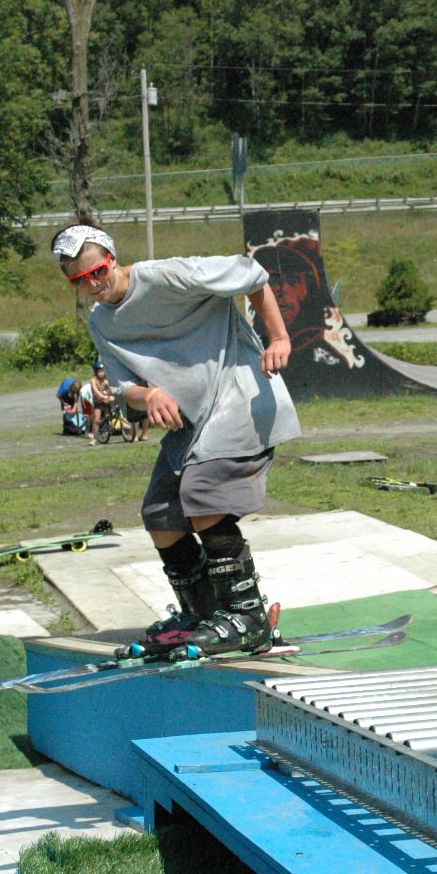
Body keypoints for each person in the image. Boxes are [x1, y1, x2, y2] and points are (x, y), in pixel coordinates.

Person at [52, 222, 300, 661]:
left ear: (112, 258)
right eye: (78, 280)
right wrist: (148, 394)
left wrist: (278, 337)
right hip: (192, 425)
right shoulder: (101, 323)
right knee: (161, 511)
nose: (92, 285)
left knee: (201, 494)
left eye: (97, 272)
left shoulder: (171, 275)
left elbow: (252, 274)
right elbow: (124, 384)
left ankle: (247, 617)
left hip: (240, 398)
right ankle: (204, 614)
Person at [85, 362, 115, 446]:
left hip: (106, 401)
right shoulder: (93, 381)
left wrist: (110, 394)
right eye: (100, 371)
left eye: (103, 371)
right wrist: (102, 396)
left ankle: (109, 426)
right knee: (97, 420)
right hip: (98, 402)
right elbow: (95, 390)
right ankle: (94, 438)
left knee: (108, 416)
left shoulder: (106, 381)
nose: (102, 373)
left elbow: (111, 390)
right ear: (96, 372)